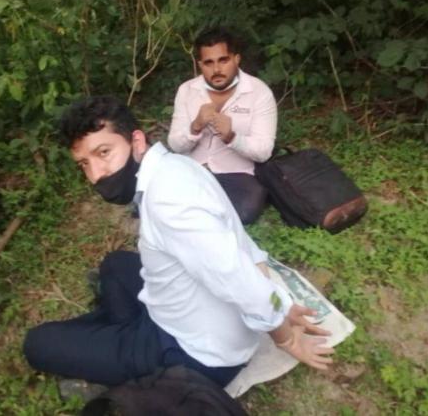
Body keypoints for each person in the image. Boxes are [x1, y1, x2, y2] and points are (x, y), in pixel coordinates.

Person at [23, 96, 333, 391]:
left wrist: (284, 335)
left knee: (38, 344)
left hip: (191, 352)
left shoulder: (169, 203)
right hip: (184, 310)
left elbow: (240, 279)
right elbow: (239, 240)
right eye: (84, 164)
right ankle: (115, 340)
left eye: (103, 153)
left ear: (136, 141)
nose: (95, 175)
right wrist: (281, 301)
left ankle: (124, 354)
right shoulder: (176, 166)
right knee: (114, 265)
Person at [168, 27, 277, 224]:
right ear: (200, 64)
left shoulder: (259, 92)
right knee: (155, 200)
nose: (217, 70)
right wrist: (195, 126)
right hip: (193, 170)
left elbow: (264, 152)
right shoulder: (187, 90)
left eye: (223, 60)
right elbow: (175, 145)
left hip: (237, 174)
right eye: (208, 63)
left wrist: (232, 137)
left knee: (245, 211)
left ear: (236, 59)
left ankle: (196, 213)